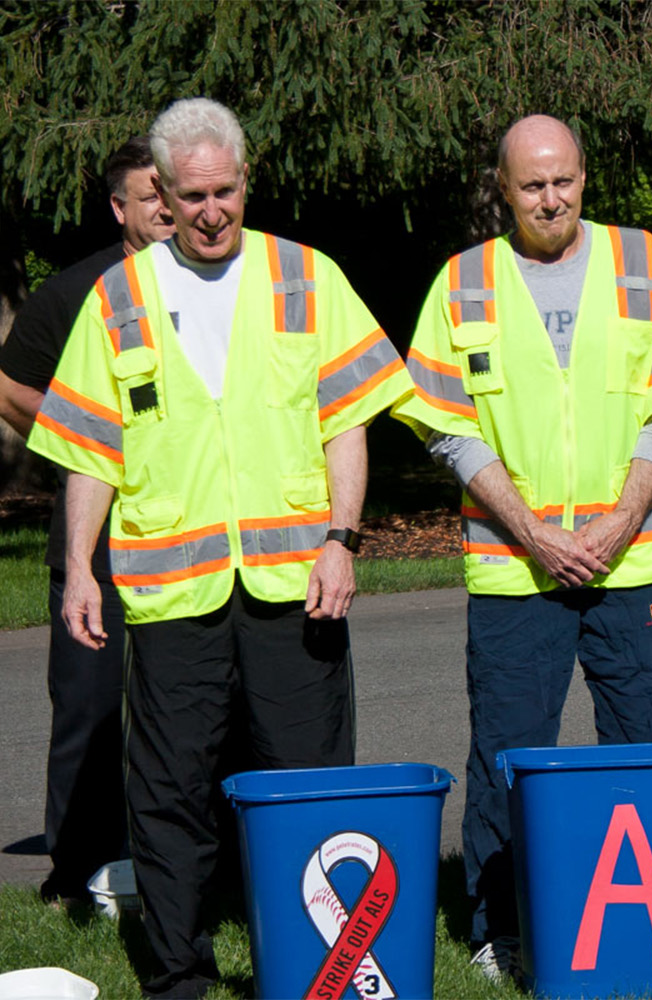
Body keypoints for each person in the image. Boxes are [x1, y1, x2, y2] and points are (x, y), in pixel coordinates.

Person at [26, 97, 412, 999]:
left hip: (295, 583)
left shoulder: (306, 275)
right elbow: (89, 450)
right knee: (168, 797)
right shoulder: (117, 297)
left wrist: (341, 540)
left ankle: (320, 967)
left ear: (248, 178)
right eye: (191, 196)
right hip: (171, 596)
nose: (210, 212)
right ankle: (177, 977)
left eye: (225, 192)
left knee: (307, 787)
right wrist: (80, 568)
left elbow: (347, 421)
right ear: (158, 191)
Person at [392, 114, 652, 979]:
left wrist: (616, 522)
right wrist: (536, 534)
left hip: (633, 558)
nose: (552, 197)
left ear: (585, 177)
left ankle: (650, 921)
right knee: (506, 751)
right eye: (532, 183)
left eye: (565, 179)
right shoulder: (463, 282)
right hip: (514, 568)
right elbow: (445, 428)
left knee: (649, 742)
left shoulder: (642, 260)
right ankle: (497, 930)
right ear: (503, 189)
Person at [0, 136, 173, 905]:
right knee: (90, 704)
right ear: (119, 208)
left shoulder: (217, 284)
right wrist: (86, 434)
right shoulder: (77, 291)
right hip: (94, 541)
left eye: (176, 192)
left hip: (187, 537)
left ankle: (193, 860)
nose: (170, 209)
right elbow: (11, 386)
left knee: (188, 706)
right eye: (152, 197)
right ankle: (73, 872)